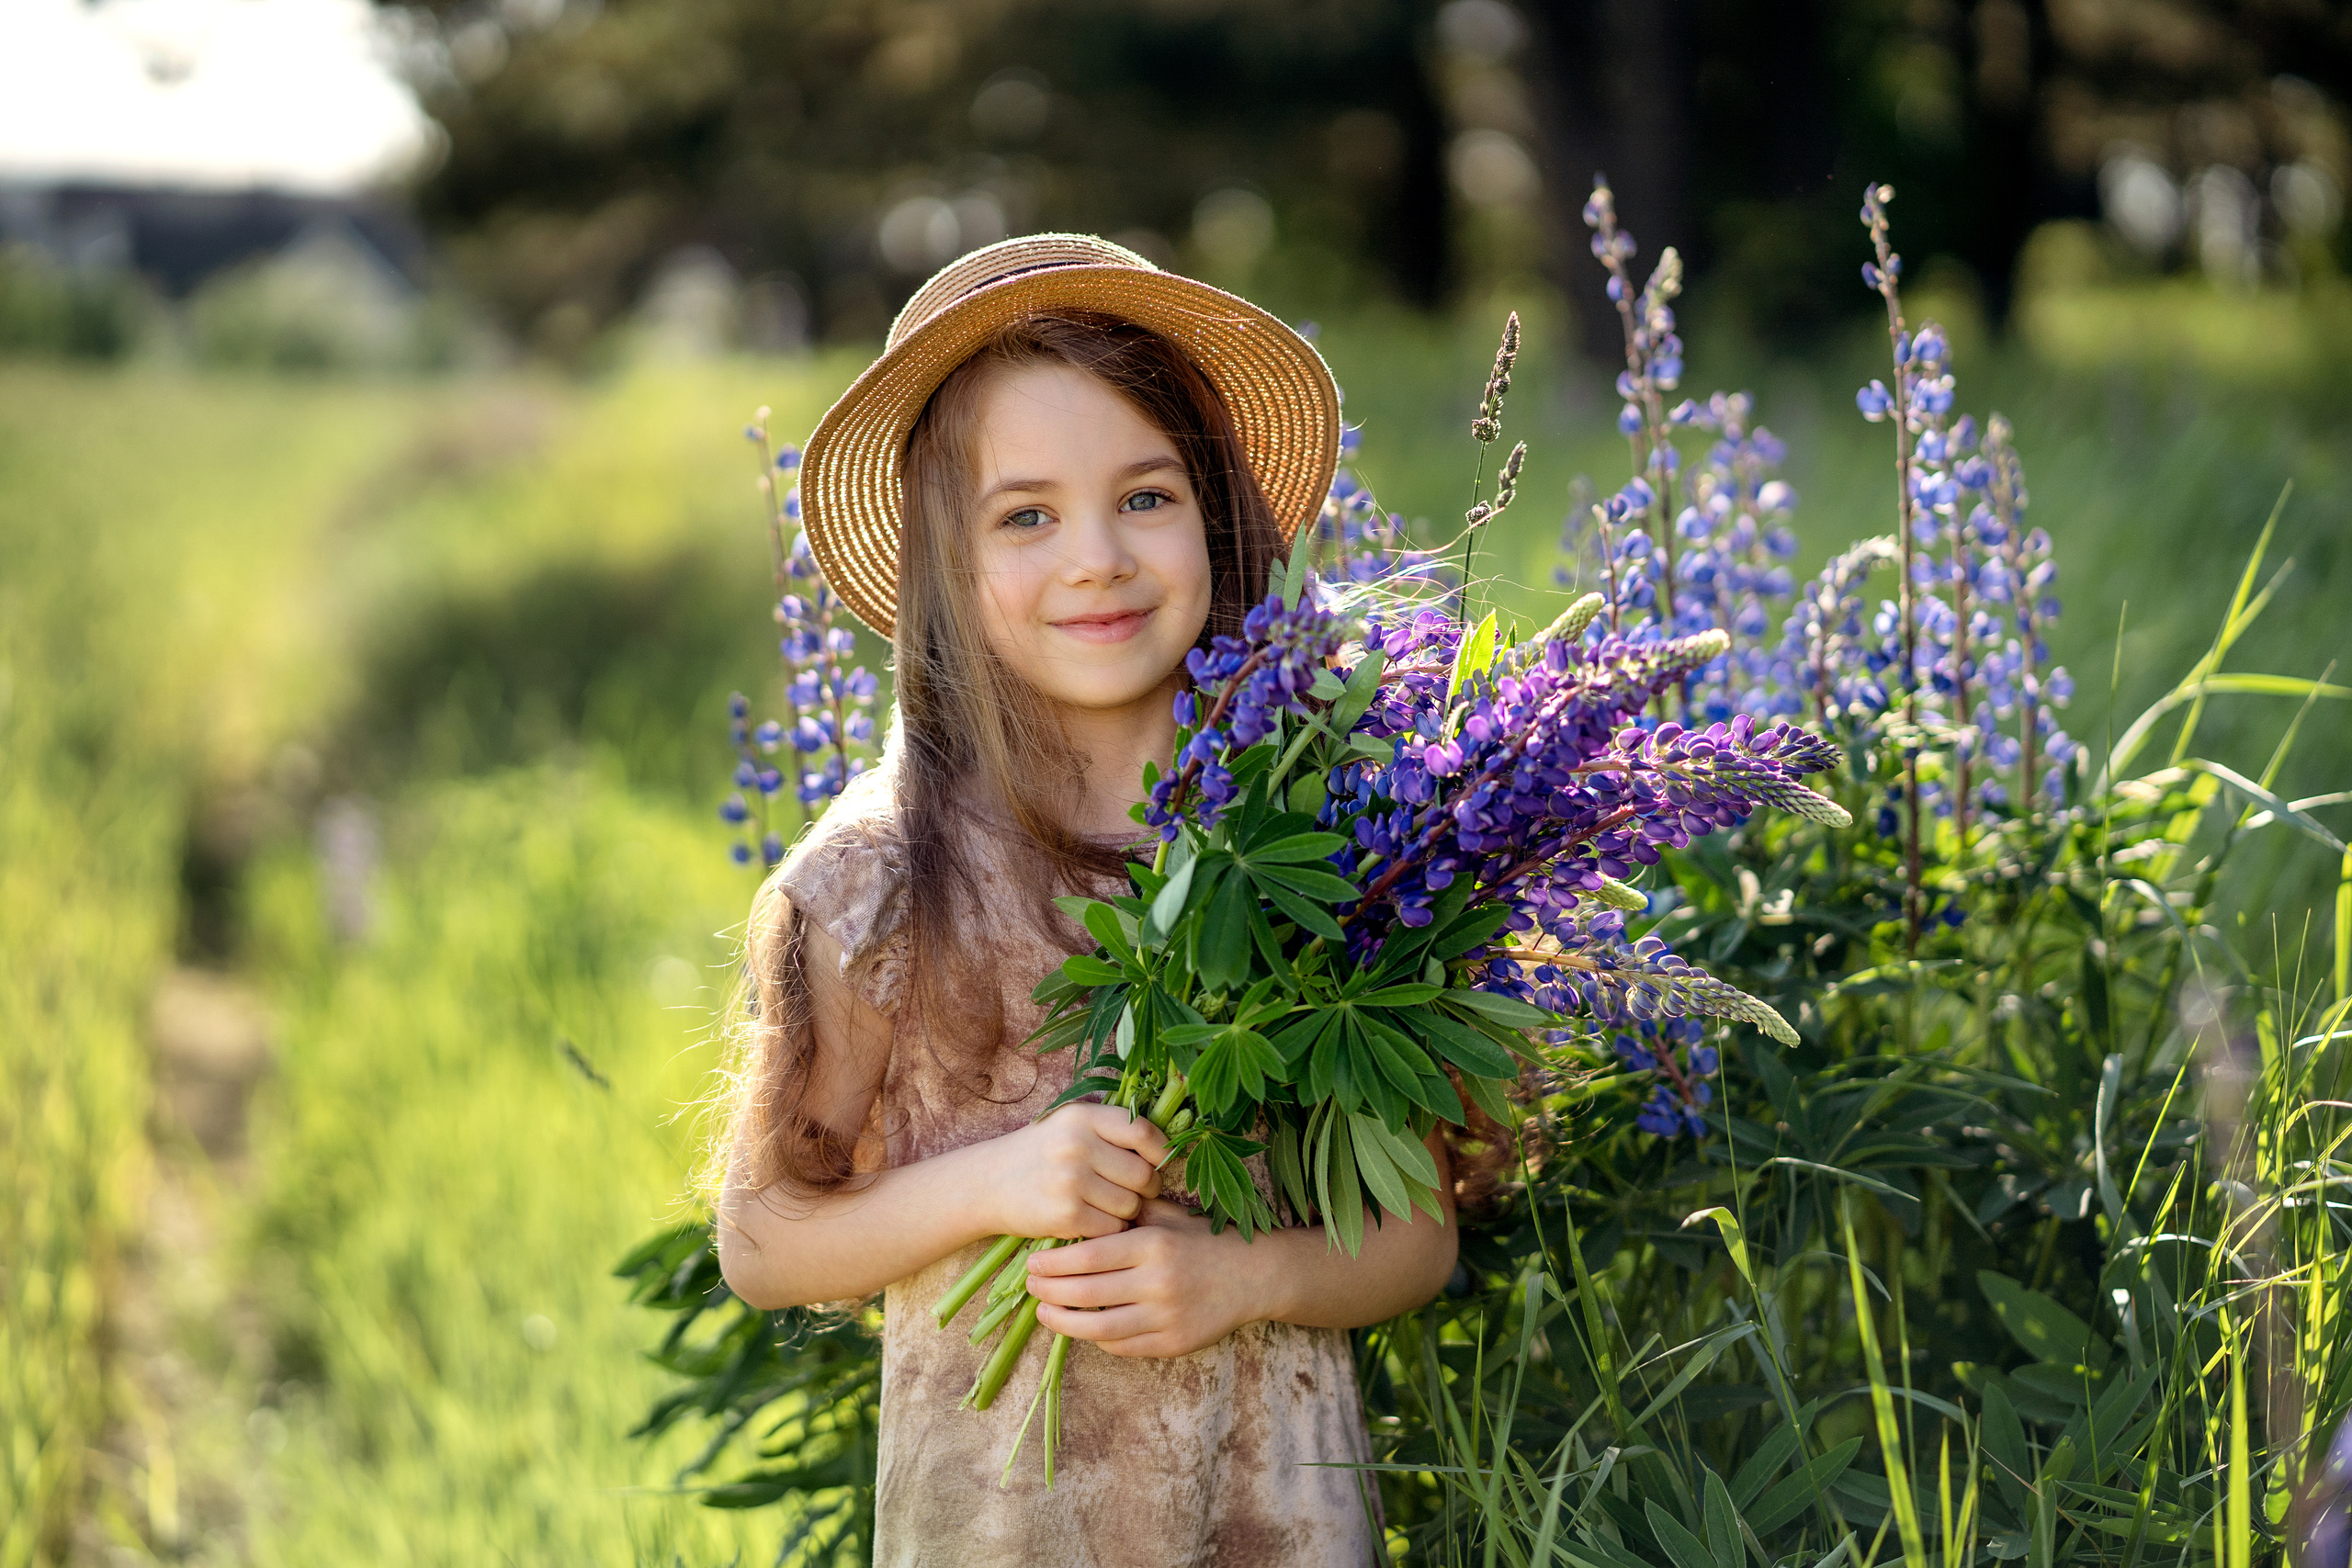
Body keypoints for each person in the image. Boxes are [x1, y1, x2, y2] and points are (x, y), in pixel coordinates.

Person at [710, 234, 1469, 1567]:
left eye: (1146, 496)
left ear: (1214, 514)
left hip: (1275, 1526)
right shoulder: (881, 876)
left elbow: (1416, 1238)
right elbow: (767, 1237)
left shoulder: (1318, 827)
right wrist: (997, 1183)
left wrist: (1245, 1280)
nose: (1098, 559)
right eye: (1026, 515)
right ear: (946, 560)